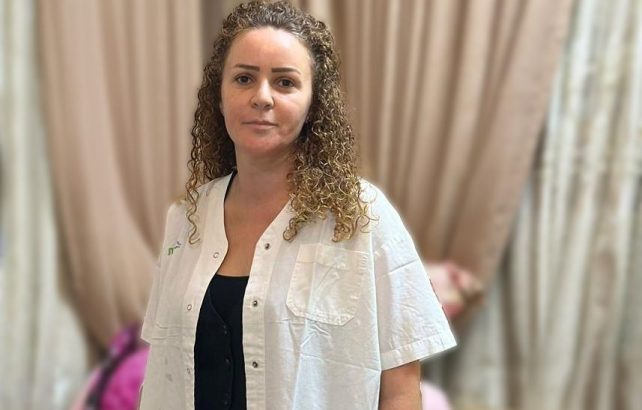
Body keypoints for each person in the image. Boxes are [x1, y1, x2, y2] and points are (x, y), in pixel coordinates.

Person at [139, 1, 456, 409]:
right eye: (244, 78)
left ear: (313, 104)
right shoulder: (186, 218)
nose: (262, 97)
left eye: (285, 82)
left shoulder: (362, 216)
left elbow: (400, 384)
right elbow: (162, 368)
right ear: (219, 96)